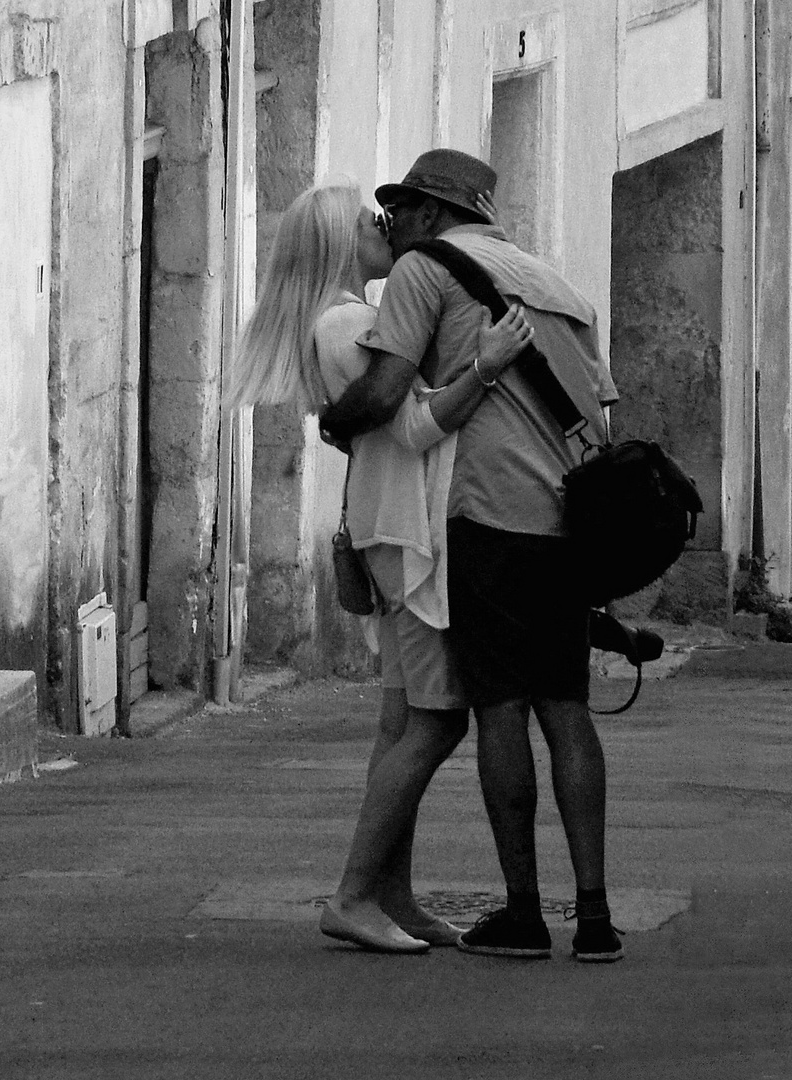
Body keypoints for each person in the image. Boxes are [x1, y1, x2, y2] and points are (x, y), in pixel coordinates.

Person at [320, 148, 626, 963]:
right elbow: (602, 404)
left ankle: (524, 912)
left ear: (427, 212)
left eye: (403, 209)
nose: (397, 226)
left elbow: (384, 395)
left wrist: (332, 418)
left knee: (498, 711)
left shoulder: (424, 269)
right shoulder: (555, 282)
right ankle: (594, 920)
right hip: (569, 523)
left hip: (486, 519)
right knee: (566, 712)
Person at [227, 182, 533, 953]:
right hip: (405, 530)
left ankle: (388, 897)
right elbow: (419, 424)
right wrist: (488, 365)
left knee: (402, 721)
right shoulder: (350, 323)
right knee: (437, 719)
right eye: (371, 221)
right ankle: (355, 895)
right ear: (339, 239)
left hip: (388, 523)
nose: (386, 227)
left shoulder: (338, 319)